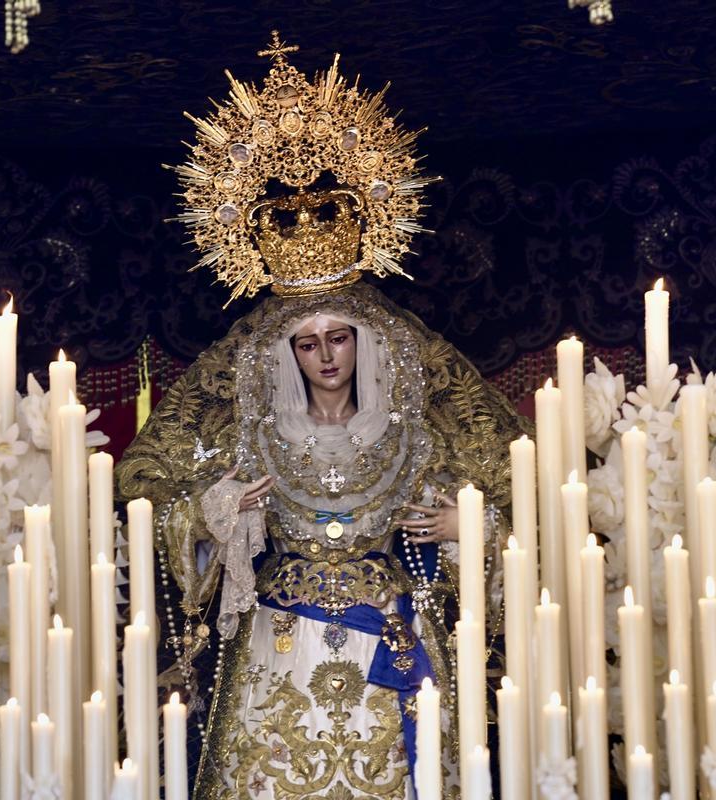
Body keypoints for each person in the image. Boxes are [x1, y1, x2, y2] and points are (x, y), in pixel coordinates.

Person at [116, 35, 527, 799]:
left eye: (340, 338)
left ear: (366, 344)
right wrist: (214, 514)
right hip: (279, 643)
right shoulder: (251, 430)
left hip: (390, 642)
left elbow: (512, 490)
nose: (326, 356)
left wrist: (467, 528)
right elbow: (150, 492)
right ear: (286, 356)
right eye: (307, 344)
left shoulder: (411, 426)